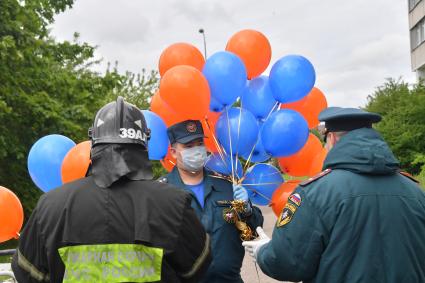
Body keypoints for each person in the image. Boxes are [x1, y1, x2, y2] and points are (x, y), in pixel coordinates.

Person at [12, 97, 211, 283]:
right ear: (144, 142)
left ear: (94, 142)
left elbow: (27, 273)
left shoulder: (50, 206)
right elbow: (196, 270)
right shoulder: (174, 204)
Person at [243, 107, 425, 283]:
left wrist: (263, 252)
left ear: (332, 139)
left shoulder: (316, 192)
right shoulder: (415, 192)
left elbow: (286, 263)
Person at [159, 120, 264, 283]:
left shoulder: (226, 187)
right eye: (188, 146)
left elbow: (251, 234)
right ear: (173, 152)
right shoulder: (162, 192)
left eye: (199, 143)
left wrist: (247, 210)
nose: (196, 150)